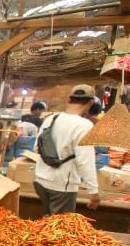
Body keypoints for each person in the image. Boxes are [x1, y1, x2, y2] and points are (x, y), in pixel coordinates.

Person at [33, 84, 100, 215]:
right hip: (62, 186)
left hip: (40, 182)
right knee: (60, 229)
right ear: (91, 102)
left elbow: (36, 148)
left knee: (50, 223)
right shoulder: (84, 125)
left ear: (69, 99)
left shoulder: (51, 118)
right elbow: (85, 161)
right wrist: (93, 191)